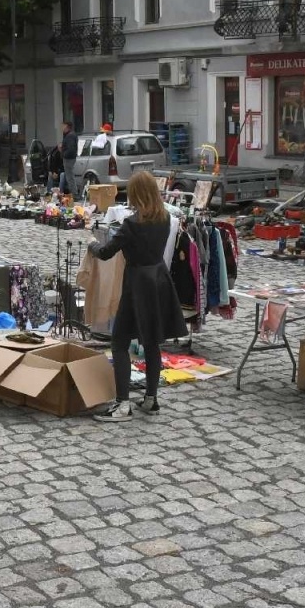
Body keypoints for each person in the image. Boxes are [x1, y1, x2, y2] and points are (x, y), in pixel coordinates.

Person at [88, 171, 186, 422]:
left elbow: (107, 252)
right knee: (152, 341)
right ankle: (151, 398)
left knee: (119, 341)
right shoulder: (165, 218)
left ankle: (122, 404)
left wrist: (92, 244)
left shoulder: (131, 224)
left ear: (135, 194)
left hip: (137, 284)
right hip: (158, 280)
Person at [60, 122, 79, 197]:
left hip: (68, 159)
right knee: (69, 176)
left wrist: (64, 154)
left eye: (63, 126)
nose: (62, 128)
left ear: (67, 127)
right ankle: (73, 193)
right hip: (70, 157)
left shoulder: (70, 136)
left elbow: (71, 148)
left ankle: (74, 193)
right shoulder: (71, 135)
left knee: (69, 177)